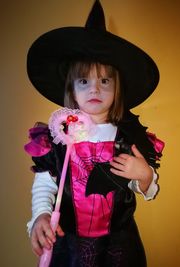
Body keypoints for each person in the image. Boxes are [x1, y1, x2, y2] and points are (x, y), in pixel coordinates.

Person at [25, 1, 164, 266]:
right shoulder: (57, 136)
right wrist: (40, 215)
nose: (95, 90)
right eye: (84, 81)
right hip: (69, 242)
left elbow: (142, 187)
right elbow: (45, 184)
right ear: (71, 89)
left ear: (117, 89)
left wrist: (145, 176)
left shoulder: (127, 138)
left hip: (120, 245)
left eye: (104, 81)